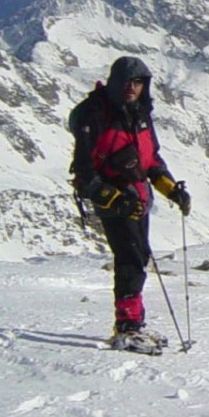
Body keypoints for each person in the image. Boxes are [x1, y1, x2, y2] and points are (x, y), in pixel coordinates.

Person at [68, 56, 191, 353]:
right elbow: (84, 174)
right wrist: (116, 201)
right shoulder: (94, 116)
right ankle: (127, 326)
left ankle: (133, 322)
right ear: (114, 82)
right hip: (116, 199)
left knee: (136, 258)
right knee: (130, 259)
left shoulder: (139, 115)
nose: (132, 88)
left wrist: (171, 190)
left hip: (137, 198)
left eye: (138, 83)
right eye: (127, 82)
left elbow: (150, 161)